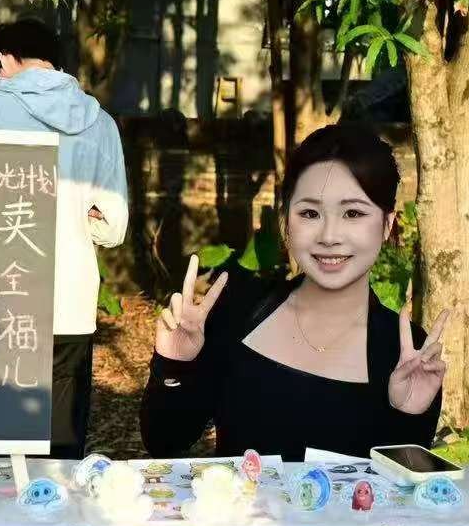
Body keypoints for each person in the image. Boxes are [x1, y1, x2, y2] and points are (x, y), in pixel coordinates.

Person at [141, 123, 447, 460]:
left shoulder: (405, 353)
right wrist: (174, 365)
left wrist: (409, 416)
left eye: (353, 213)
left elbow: (401, 485)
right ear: (287, 222)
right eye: (310, 213)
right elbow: (164, 441)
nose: (329, 236)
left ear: (387, 225)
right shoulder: (239, 314)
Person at [0, 19, 129, 459]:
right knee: (59, 451)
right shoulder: (100, 122)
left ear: (3, 58)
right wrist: (79, 213)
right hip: (68, 303)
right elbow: (113, 228)